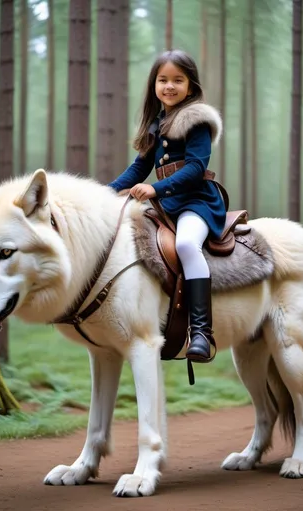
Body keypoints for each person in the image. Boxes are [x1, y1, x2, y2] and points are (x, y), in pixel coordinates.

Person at [108, 49, 226, 364]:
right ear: (154, 85)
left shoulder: (196, 120)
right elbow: (137, 169)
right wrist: (105, 193)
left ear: (191, 85)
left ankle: (201, 331)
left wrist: (155, 188)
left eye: (178, 80)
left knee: (187, 244)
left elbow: (195, 168)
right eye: (163, 80)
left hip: (196, 201)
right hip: (165, 205)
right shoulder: (156, 123)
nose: (169, 87)